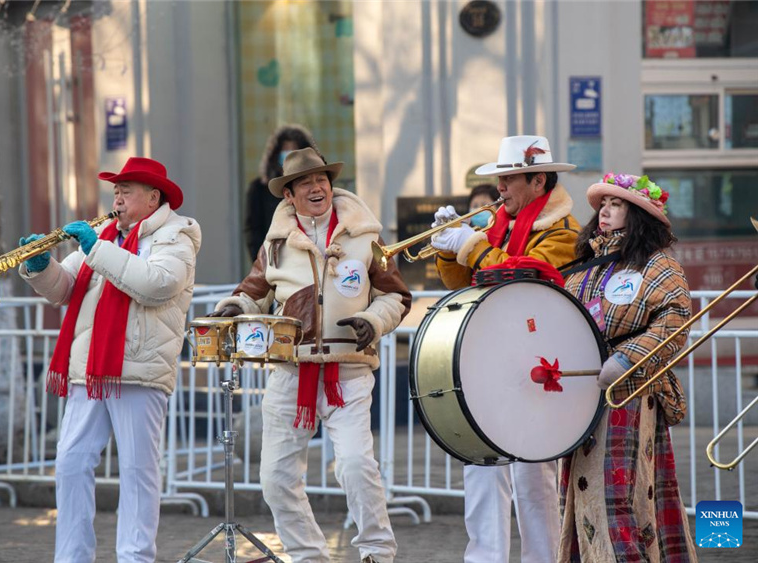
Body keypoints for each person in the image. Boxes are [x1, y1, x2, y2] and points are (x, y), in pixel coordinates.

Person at [210, 147, 411, 563]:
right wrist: (236, 307)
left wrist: (372, 321)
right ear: (289, 195)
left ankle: (377, 553)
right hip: (290, 371)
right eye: (305, 182)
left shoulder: (365, 235)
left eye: (321, 179)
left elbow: (395, 296)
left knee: (356, 467)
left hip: (349, 372)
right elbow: (254, 293)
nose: (316, 187)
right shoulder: (275, 242)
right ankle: (309, 557)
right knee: (276, 479)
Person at [18, 157, 201, 563]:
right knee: (70, 463)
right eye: (115, 189)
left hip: (139, 367)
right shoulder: (103, 236)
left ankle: (135, 557)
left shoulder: (177, 234)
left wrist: (95, 248)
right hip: (90, 367)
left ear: (153, 198)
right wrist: (40, 266)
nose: (116, 197)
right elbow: (65, 290)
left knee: (138, 471)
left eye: (127, 190)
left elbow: (157, 285)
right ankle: (72, 556)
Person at [431, 135, 580, 563]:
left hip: (537, 362)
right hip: (491, 358)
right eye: (500, 178)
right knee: (481, 467)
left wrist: (469, 245)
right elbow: (460, 284)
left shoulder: (563, 231)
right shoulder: (499, 224)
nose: (500, 187)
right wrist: (448, 249)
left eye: (509, 178)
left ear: (538, 181)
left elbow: (523, 280)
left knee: (534, 479)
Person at [558, 173, 697, 562]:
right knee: (580, 493)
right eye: (602, 205)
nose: (604, 211)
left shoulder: (658, 263)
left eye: (615, 204)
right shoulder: (588, 263)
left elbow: (676, 319)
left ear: (638, 215)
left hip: (630, 393)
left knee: (619, 494)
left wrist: (627, 357)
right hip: (585, 393)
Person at [244, 124, 318, 259]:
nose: (288, 157)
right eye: (285, 152)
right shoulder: (259, 189)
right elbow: (254, 231)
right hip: (275, 261)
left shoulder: (315, 188)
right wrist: (263, 262)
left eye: (294, 152)